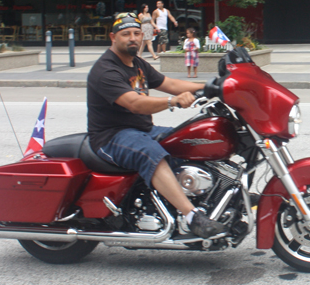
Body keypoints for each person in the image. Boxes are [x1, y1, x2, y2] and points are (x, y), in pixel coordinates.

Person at [87, 13, 225, 239]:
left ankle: (213, 196)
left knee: (188, 140)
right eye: (126, 34)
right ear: (113, 37)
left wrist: (212, 87)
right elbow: (135, 103)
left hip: (142, 130)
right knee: (151, 153)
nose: (132, 38)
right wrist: (173, 101)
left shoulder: (137, 63)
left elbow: (169, 83)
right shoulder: (105, 70)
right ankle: (192, 217)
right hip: (111, 137)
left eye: (136, 33)